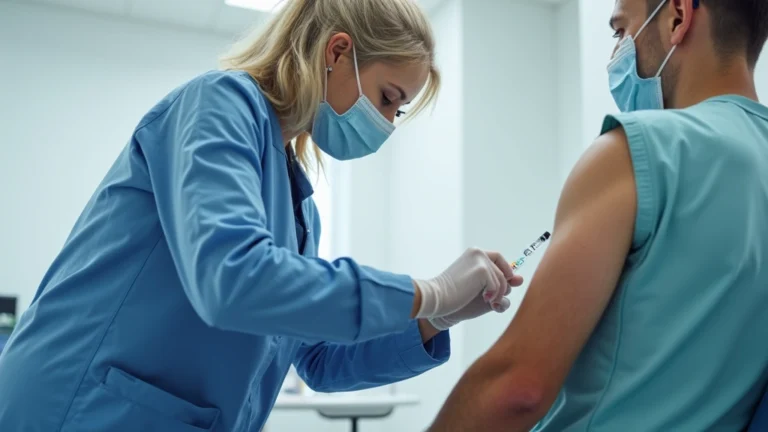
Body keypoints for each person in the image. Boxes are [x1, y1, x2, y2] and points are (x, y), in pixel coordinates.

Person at [0, 1, 524, 431]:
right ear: (337, 52)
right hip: (79, 411)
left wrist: (435, 318)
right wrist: (427, 290)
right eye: (389, 100)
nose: (387, 124)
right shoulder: (218, 104)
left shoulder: (300, 209)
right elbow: (233, 278)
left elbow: (317, 360)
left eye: (398, 111)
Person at [428, 0, 768, 430]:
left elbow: (518, 389)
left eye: (620, 32)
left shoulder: (637, 151)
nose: (614, 58)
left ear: (678, 17)